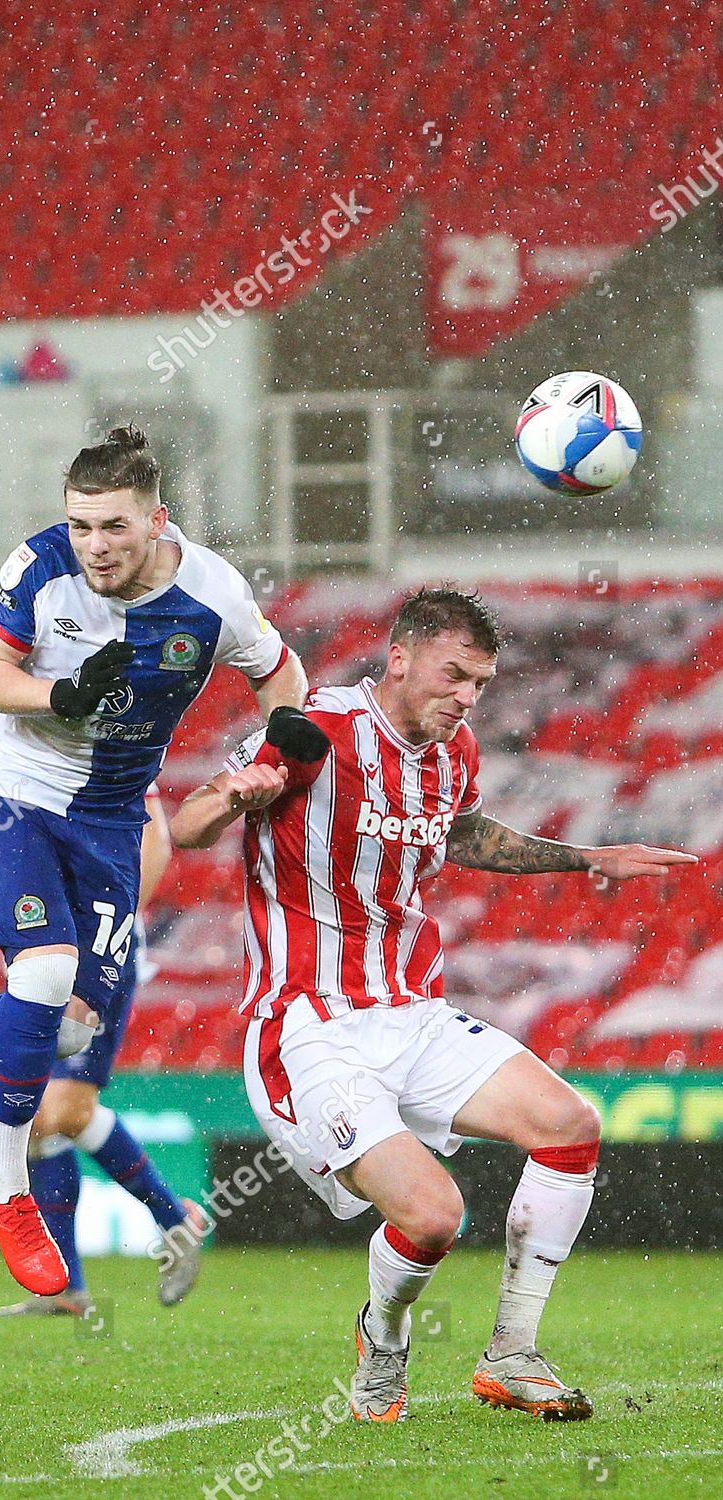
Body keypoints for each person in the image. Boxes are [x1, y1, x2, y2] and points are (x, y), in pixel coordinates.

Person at [0, 425, 315, 1298]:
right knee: (41, 979)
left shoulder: (214, 596)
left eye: (113, 527)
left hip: (113, 819)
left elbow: (282, 674)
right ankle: (8, 1191)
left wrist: (280, 743)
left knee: (67, 1030)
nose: (94, 546)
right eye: (81, 526)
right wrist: (59, 694)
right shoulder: (38, 569)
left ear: (158, 521)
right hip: (12, 790)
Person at [169, 586, 697, 1423]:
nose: (466, 697)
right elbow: (188, 824)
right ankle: (382, 1341)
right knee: (432, 1214)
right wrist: (241, 794)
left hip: (409, 1010)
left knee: (570, 1126)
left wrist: (589, 856)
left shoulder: (455, 755)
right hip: (310, 1022)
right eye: (454, 676)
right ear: (401, 658)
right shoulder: (316, 728)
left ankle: (512, 1356)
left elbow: (465, 834)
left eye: (480, 684)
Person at [0, 786, 206, 1315]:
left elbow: (156, 840)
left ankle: (176, 1220)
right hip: (44, 953)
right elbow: (12, 864)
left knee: (64, 1109)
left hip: (97, 951)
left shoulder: (103, 746)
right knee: (38, 1118)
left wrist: (111, 927)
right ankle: (68, 1289)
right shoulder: (25, 766)